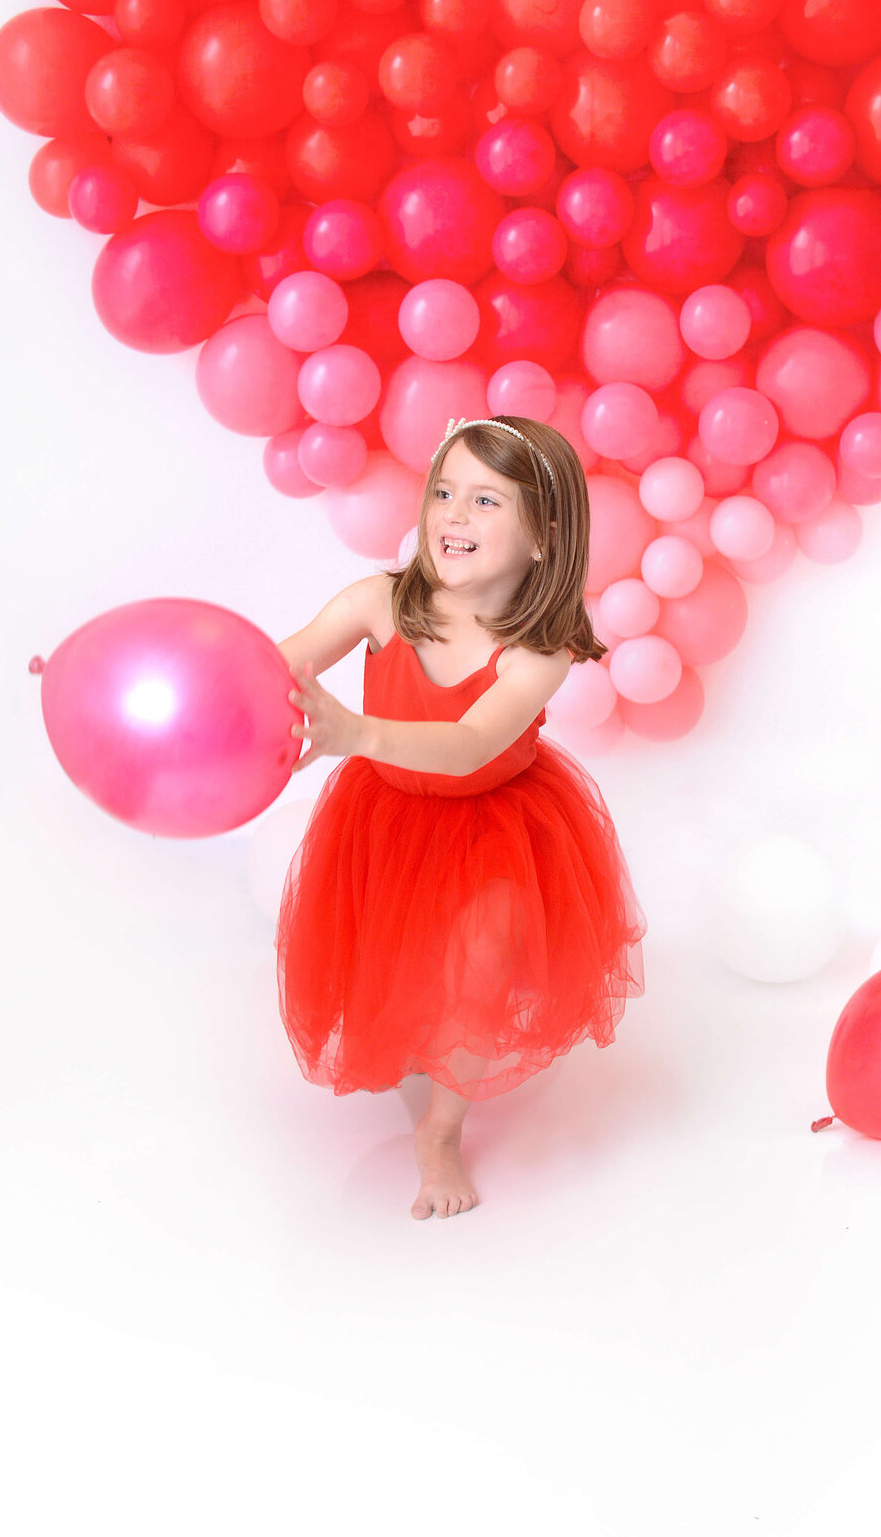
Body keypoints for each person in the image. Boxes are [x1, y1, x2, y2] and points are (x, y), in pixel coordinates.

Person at [274, 414, 647, 1220]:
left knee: (482, 956)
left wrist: (359, 733)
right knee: (392, 951)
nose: (453, 514)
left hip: (498, 821)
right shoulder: (380, 602)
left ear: (543, 538)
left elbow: (472, 741)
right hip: (390, 815)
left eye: (485, 501)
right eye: (444, 491)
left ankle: (440, 1131)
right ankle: (407, 1053)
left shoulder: (535, 651)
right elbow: (283, 660)